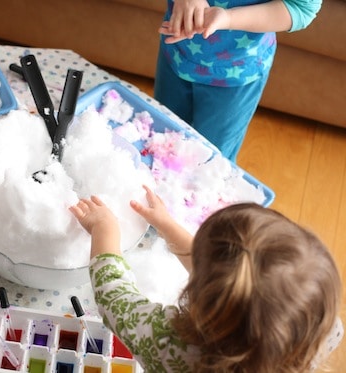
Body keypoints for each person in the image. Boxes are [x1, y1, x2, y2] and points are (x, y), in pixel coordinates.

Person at [70, 185, 343, 372]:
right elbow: (228, 281)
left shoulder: (171, 345)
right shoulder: (319, 325)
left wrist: (104, 229)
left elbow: (113, 296)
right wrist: (166, 225)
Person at [154, 0, 322, 162]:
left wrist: (229, 18)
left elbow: (301, 7)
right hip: (176, 54)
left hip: (236, 76)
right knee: (158, 137)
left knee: (210, 159)